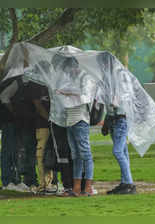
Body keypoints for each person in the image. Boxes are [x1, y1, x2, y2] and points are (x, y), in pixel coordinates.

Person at [59, 57, 96, 197]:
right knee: (75, 155)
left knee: (85, 154)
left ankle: (88, 187)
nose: (69, 72)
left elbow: (86, 98)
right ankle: (76, 187)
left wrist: (69, 93)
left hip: (81, 119)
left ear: (75, 67)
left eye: (70, 69)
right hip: (69, 120)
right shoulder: (68, 80)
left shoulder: (86, 79)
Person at [0, 76, 37, 192]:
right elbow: (4, 97)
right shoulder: (17, 82)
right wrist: (13, 111)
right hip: (10, 121)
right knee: (8, 150)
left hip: (17, 122)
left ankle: (15, 179)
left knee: (15, 150)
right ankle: (7, 181)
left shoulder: (23, 82)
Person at [102, 105, 136, 194]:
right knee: (123, 152)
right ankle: (125, 182)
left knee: (118, 152)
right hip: (114, 119)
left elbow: (115, 103)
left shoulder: (120, 91)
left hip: (119, 119)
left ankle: (129, 183)